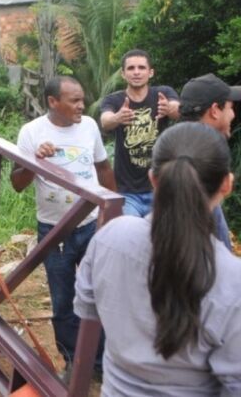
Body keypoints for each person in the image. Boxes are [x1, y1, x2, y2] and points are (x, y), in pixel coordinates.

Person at [75, 122, 241, 394]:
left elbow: (87, 308)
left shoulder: (110, 237)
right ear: (227, 184)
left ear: (153, 179)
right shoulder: (233, 280)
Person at [11, 76, 116, 377]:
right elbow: (17, 184)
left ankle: (102, 362)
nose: (82, 105)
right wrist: (34, 160)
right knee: (62, 299)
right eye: (74, 100)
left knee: (101, 292)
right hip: (54, 230)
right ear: (53, 102)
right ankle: (74, 361)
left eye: (82, 98)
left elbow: (103, 168)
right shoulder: (31, 132)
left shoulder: (90, 127)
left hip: (90, 223)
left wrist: (115, 210)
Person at [100, 49, 180, 217]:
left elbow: (179, 110)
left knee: (161, 239)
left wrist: (169, 109)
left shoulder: (162, 94)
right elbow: (105, 121)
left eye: (141, 68)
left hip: (160, 188)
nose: (136, 72)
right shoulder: (114, 100)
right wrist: (117, 117)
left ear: (150, 72)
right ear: (123, 73)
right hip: (127, 192)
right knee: (131, 236)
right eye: (131, 68)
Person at [179, 73, 241, 251]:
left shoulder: (177, 145)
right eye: (230, 107)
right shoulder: (204, 159)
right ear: (214, 110)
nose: (233, 114)